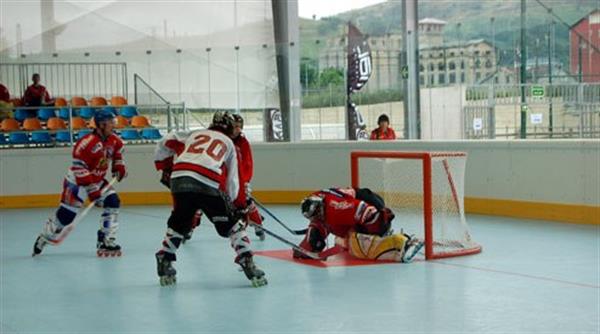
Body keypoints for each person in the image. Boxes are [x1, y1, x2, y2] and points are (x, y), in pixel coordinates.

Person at [153, 111, 267, 287]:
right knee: (233, 225)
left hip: (179, 177)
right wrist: (238, 206)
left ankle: (165, 258)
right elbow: (233, 181)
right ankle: (247, 262)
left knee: (179, 222)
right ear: (229, 127)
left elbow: (165, 141)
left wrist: (165, 166)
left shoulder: (195, 133)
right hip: (205, 181)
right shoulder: (229, 143)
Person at [32, 108, 127, 257]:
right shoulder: (86, 144)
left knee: (113, 201)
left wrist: (119, 167)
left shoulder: (115, 140)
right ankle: (45, 236)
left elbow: (117, 155)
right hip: (77, 182)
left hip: (97, 180)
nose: (114, 125)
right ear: (101, 125)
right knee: (66, 217)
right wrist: (91, 189)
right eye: (110, 123)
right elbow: (79, 166)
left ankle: (106, 240)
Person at [184, 114, 266, 243]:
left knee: (246, 202)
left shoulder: (242, 142)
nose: (238, 130)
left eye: (240, 127)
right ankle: (189, 228)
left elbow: (247, 164)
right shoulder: (218, 139)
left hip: (236, 179)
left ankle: (258, 224)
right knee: (198, 204)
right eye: (235, 127)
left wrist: (244, 182)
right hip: (215, 179)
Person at [294, 187, 423, 262]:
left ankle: (402, 243)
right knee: (341, 241)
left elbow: (370, 213)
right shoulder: (317, 202)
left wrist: (371, 235)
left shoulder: (338, 208)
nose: (317, 218)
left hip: (374, 210)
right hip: (359, 207)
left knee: (360, 246)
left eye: (317, 214)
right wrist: (305, 249)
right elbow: (318, 226)